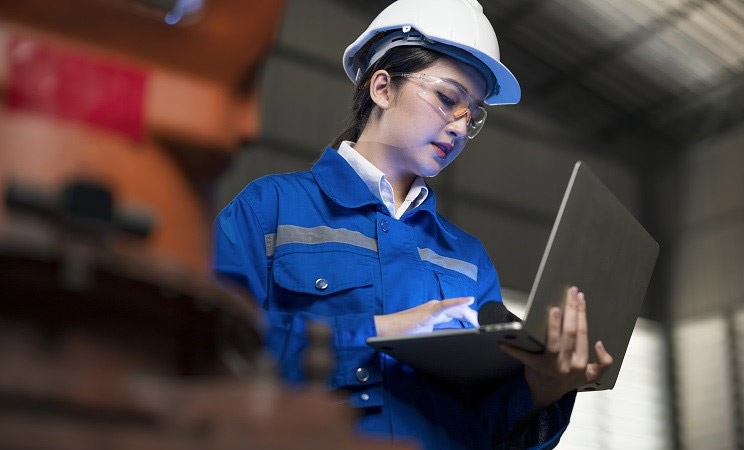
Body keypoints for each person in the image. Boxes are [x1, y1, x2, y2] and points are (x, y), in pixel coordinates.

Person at [213, 0, 613, 448]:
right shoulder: (270, 210)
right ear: (382, 88)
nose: (461, 128)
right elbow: (210, 349)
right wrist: (381, 331)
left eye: (474, 114)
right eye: (447, 99)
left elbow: (488, 427)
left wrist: (543, 387)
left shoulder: (468, 260)